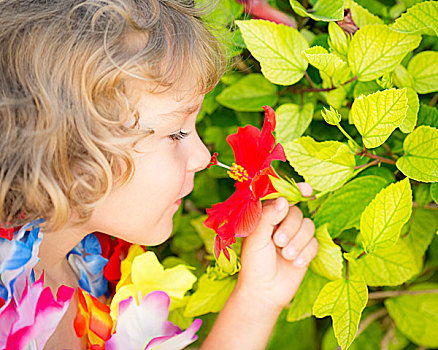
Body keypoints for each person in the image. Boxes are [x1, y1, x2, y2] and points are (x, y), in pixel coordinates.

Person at [0, 0, 318, 349]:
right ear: (69, 153)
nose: (202, 157)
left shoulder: (95, 256)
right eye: (176, 133)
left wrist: (258, 299)